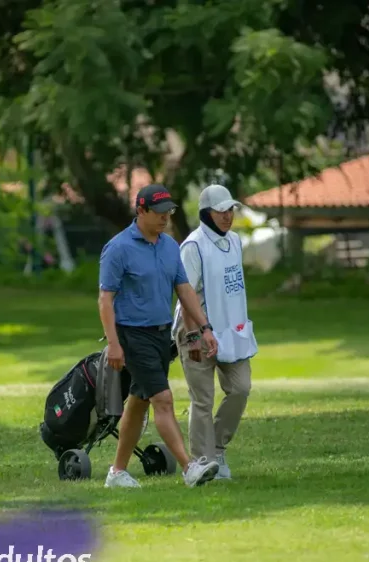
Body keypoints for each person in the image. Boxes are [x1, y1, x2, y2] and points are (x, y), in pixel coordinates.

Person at [98, 183, 222, 489]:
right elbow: (105, 300)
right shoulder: (118, 248)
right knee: (162, 399)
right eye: (159, 212)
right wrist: (113, 344)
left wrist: (204, 328)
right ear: (141, 211)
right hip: (132, 335)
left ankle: (117, 472)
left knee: (139, 401)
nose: (166, 217)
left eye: (169, 211)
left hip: (161, 334)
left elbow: (184, 290)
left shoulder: (169, 246)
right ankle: (189, 468)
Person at [171, 184, 256, 480]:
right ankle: (203, 462)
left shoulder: (235, 241)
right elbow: (185, 294)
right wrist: (194, 336)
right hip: (195, 330)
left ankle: (217, 447)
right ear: (206, 213)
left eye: (230, 210)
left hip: (231, 330)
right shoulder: (193, 246)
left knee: (241, 388)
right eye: (221, 211)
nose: (227, 216)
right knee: (203, 399)